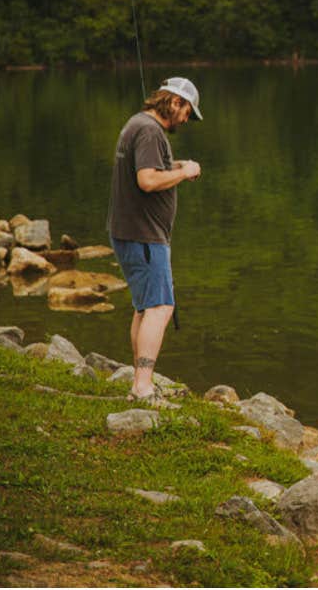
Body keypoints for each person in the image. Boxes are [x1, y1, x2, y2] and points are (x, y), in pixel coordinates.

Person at [107, 77, 203, 404]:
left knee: (145, 307)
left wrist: (176, 166)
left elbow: (149, 169)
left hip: (132, 231)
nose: (187, 119)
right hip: (144, 234)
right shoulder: (149, 130)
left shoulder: (137, 124)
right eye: (187, 111)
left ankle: (139, 382)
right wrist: (185, 173)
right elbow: (147, 180)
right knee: (160, 307)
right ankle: (144, 386)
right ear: (174, 102)